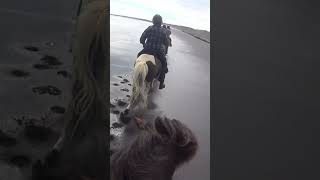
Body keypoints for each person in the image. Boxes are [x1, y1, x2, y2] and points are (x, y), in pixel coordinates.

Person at [137, 14, 169, 89]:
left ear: (153, 21)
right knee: (164, 64)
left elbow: (141, 39)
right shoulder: (163, 31)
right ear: (161, 22)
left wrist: (144, 44)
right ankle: (161, 83)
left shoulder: (149, 28)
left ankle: (136, 72)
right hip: (158, 51)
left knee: (138, 56)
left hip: (147, 49)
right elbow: (166, 43)